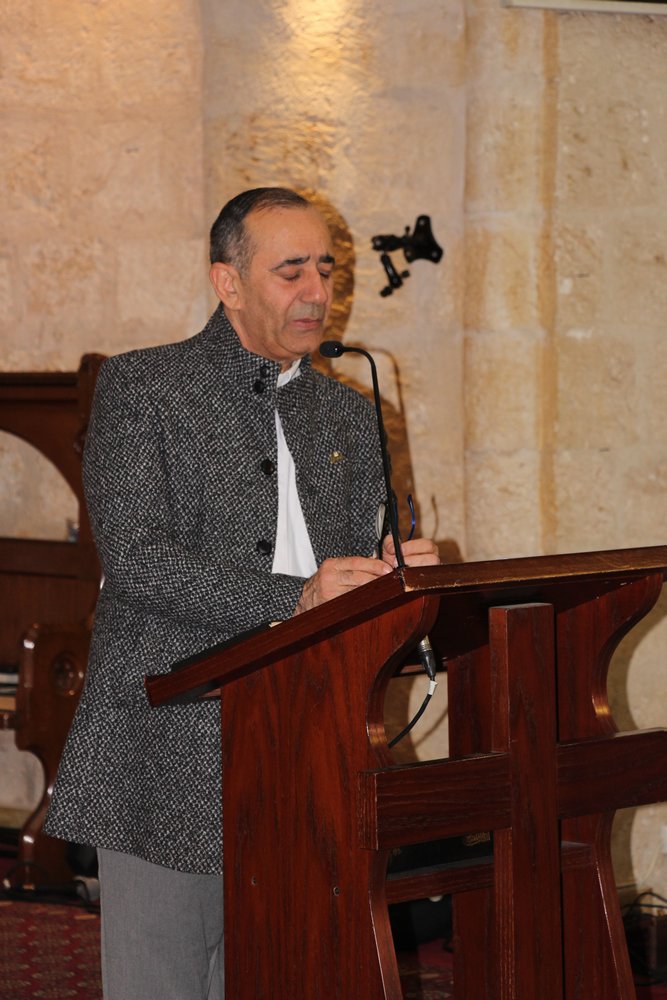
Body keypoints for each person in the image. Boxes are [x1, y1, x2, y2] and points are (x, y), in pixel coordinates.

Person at [45, 187, 440, 1000]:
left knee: (292, 969)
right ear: (227, 282)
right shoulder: (145, 387)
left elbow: (350, 570)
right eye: (290, 272)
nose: (316, 292)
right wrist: (295, 597)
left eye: (325, 270)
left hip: (311, 739)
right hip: (170, 739)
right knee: (164, 981)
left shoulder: (348, 412)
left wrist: (393, 572)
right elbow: (137, 561)